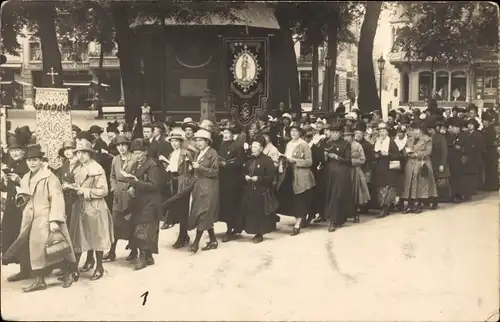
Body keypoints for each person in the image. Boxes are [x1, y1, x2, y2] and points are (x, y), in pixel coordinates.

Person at [3, 144, 77, 292]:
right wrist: (20, 196)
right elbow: (24, 194)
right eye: (29, 160)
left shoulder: (50, 177)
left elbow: (57, 198)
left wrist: (55, 220)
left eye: (35, 160)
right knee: (38, 249)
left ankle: (67, 273)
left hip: (46, 217)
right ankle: (40, 279)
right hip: (31, 217)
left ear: (41, 161)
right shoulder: (26, 176)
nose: (31, 163)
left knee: (53, 246)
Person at [69, 138, 114, 280]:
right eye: (78, 152)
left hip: (95, 207)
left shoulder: (97, 168)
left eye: (84, 153)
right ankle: (75, 268)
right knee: (79, 237)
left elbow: (104, 191)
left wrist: (84, 191)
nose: (81, 155)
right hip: (81, 206)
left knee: (97, 238)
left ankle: (99, 267)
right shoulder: (78, 168)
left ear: (90, 154)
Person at [124, 139, 162, 270]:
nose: (137, 156)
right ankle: (148, 256)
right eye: (134, 153)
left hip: (150, 202)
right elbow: (134, 180)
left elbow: (154, 185)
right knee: (140, 227)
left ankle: (143, 256)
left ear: (145, 152)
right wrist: (131, 186)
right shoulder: (137, 165)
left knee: (144, 230)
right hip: (140, 201)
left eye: (139, 153)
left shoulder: (152, 165)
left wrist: (136, 182)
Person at [276, 125, 316, 235]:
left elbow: (309, 162)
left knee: (299, 199)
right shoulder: (289, 144)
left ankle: (298, 224)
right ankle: (298, 219)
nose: (293, 133)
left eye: (295, 131)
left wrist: (295, 160)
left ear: (300, 133)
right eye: (291, 131)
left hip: (301, 176)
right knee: (291, 198)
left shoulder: (304, 145)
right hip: (290, 174)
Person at [1, 137, 31, 282]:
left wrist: (18, 180)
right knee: (11, 235)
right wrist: (5, 180)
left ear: (23, 152)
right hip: (12, 205)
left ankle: (26, 269)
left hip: (23, 206)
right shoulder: (10, 164)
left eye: (17, 150)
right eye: (12, 150)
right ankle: (23, 267)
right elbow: (5, 188)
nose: (14, 153)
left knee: (22, 236)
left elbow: (31, 187)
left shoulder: (27, 166)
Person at [104, 135, 137, 262]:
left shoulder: (134, 158)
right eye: (118, 145)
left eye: (123, 145)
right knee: (116, 222)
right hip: (118, 194)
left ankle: (134, 250)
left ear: (128, 146)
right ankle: (112, 251)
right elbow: (112, 175)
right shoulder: (115, 159)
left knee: (131, 222)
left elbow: (138, 174)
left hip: (130, 193)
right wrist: (113, 188)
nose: (121, 148)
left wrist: (132, 187)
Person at [240, 135, 277, 243]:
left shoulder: (267, 160)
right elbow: (243, 172)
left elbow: (271, 176)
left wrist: (259, 178)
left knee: (259, 212)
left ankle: (259, 233)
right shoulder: (249, 159)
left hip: (261, 190)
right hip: (249, 189)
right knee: (250, 211)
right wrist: (245, 176)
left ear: (261, 148)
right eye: (253, 146)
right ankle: (251, 229)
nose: (254, 149)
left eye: (256, 147)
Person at [188, 128, 220, 253]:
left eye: (201, 140)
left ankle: (195, 243)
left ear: (207, 141)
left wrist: (199, 168)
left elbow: (215, 172)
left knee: (203, 214)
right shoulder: (198, 153)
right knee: (204, 215)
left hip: (209, 187)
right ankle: (213, 240)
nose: (198, 143)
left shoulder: (213, 153)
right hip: (199, 187)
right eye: (197, 140)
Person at [164, 128, 194, 248]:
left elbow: (192, 169)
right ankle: (184, 235)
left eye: (176, 141)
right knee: (177, 210)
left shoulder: (186, 153)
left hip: (184, 181)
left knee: (183, 210)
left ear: (180, 142)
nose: (174, 143)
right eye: (172, 141)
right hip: (174, 182)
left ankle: (182, 237)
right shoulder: (171, 154)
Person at [401, 120, 438, 214]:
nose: (413, 132)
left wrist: (417, 154)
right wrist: (407, 153)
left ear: (419, 130)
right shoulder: (409, 139)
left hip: (421, 163)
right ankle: (410, 204)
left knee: (420, 184)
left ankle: (419, 203)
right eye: (412, 129)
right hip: (410, 163)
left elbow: (428, 152)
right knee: (409, 184)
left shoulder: (427, 139)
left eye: (415, 129)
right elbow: (404, 149)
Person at [323, 122, 353, 232]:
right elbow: (324, 160)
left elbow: (349, 161)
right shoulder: (327, 143)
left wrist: (337, 157)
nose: (334, 134)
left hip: (341, 173)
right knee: (331, 195)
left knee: (337, 195)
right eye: (333, 132)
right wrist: (325, 157)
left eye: (337, 133)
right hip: (330, 173)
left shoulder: (346, 144)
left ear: (340, 134)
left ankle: (332, 220)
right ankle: (339, 218)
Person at [218, 125, 246, 242]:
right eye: (224, 132)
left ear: (233, 135)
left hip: (234, 180)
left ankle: (232, 228)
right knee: (225, 203)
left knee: (232, 203)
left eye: (228, 133)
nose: (225, 135)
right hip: (223, 178)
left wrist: (226, 164)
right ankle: (231, 227)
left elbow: (239, 162)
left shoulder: (238, 147)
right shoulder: (221, 145)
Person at [372, 122, 400, 218]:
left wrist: (387, 154)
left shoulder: (391, 142)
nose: (382, 133)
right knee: (380, 187)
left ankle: (385, 207)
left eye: (384, 131)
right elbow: (373, 153)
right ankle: (384, 207)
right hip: (379, 167)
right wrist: (376, 155)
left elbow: (397, 155)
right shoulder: (377, 141)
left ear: (387, 132)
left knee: (387, 187)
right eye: (380, 131)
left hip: (388, 167)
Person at [344, 126, 370, 222]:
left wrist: (351, 161)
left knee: (355, 193)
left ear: (352, 136)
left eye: (348, 136)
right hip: (344, 172)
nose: (346, 138)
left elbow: (363, 159)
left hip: (355, 171)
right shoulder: (342, 145)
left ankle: (356, 213)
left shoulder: (357, 146)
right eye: (345, 136)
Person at [426, 118, 450, 207]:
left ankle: (435, 201)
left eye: (431, 129)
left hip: (438, 162)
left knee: (437, 183)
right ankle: (429, 200)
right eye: (428, 130)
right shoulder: (428, 138)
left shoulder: (441, 138)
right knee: (430, 183)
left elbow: (444, 152)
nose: (430, 131)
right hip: (430, 162)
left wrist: (442, 164)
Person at [481, 113, 499, 191]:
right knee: (488, 169)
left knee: (492, 169)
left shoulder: (491, 130)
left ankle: (493, 185)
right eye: (483, 122)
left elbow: (489, 141)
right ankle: (489, 184)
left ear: (488, 122)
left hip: (491, 152)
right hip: (487, 152)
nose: (484, 124)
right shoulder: (485, 129)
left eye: (485, 122)